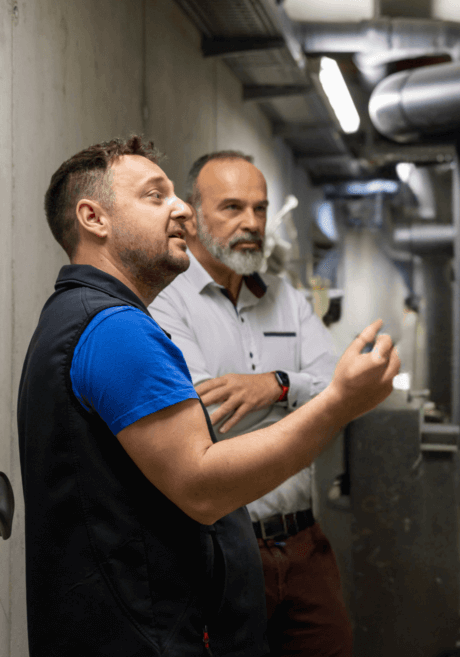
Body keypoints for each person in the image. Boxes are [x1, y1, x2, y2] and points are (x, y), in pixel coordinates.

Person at [16, 137, 400, 657]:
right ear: (94, 218)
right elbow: (203, 486)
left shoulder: (75, 315)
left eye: (175, 195)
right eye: (155, 196)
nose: (179, 210)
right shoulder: (117, 330)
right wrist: (338, 403)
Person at [149, 151, 355, 656]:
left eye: (260, 210)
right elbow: (207, 418)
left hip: (305, 545)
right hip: (223, 548)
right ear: (192, 217)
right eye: (234, 208)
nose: (253, 223)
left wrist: (278, 386)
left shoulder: (286, 297)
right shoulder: (166, 301)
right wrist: (310, 403)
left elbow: (336, 388)